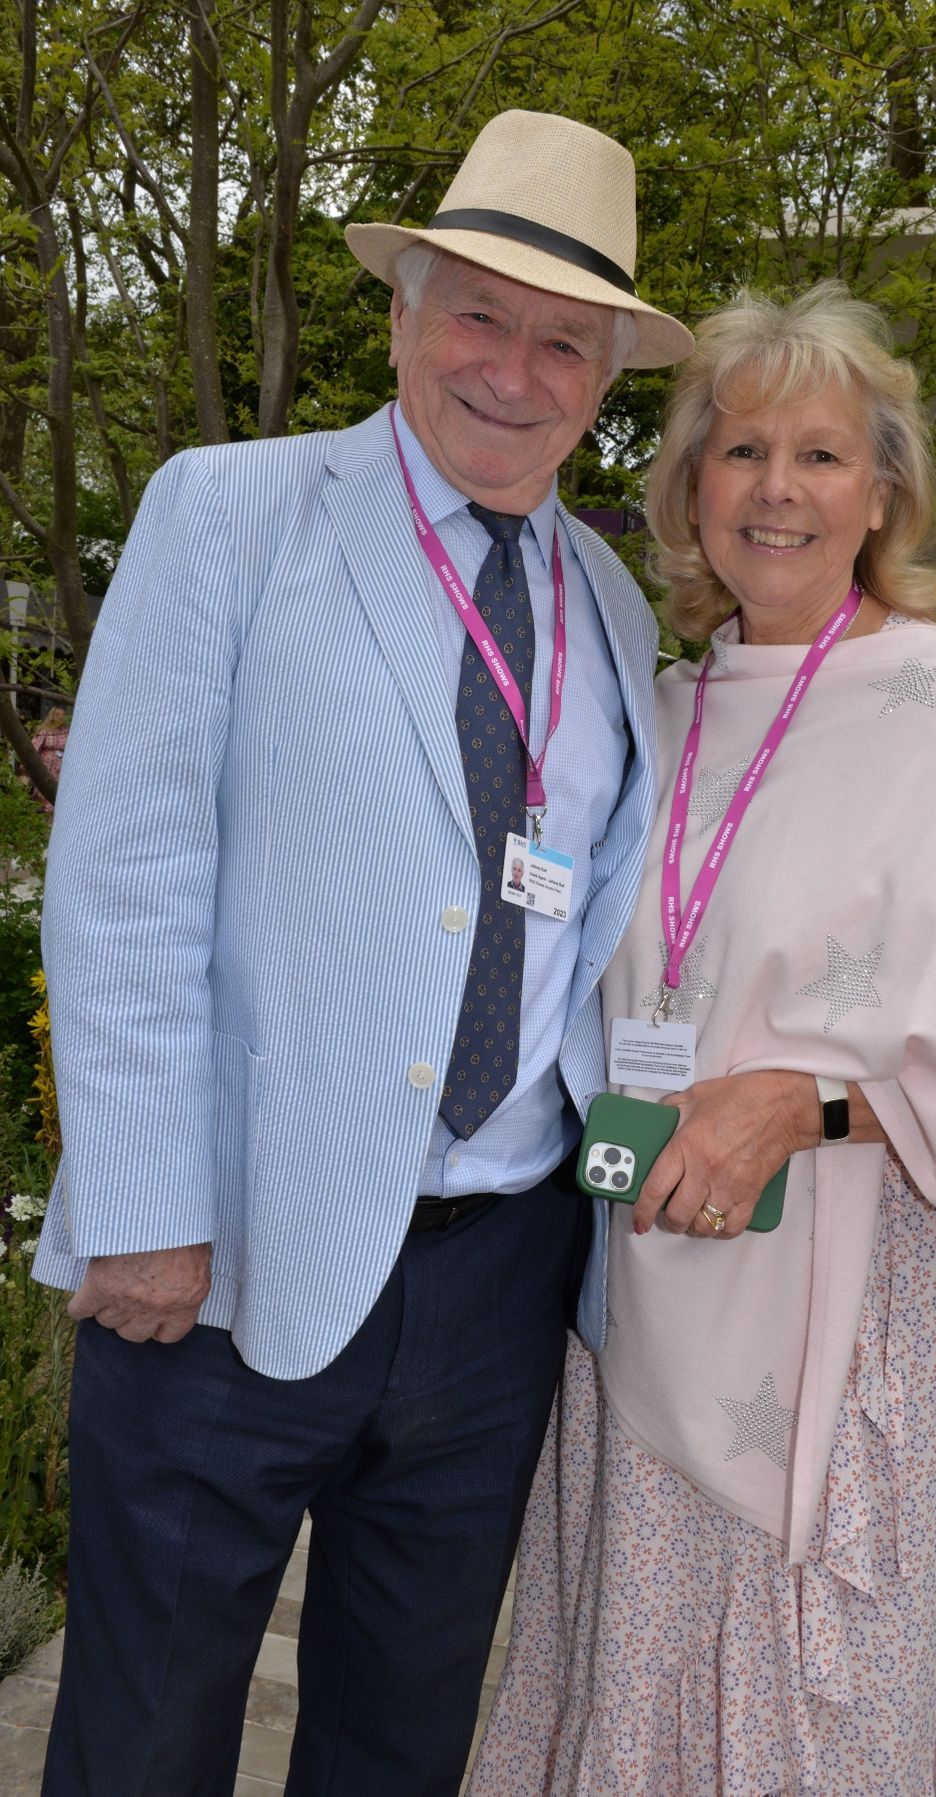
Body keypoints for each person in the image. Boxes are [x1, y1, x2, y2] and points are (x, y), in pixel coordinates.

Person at [32, 110, 693, 1796]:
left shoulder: (616, 608)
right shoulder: (230, 515)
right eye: (478, 315)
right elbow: (125, 880)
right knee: (144, 1742)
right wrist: (145, 1206)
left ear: (608, 377)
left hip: (500, 1280)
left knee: (400, 1747)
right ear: (402, 315)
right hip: (225, 1256)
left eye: (564, 341)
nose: (513, 372)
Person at [467, 286, 936, 1796]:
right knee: (634, 1666)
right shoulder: (652, 709)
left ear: (883, 495)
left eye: (821, 455)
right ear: (689, 491)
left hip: (857, 1295)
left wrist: (814, 1104)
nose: (776, 489)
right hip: (646, 1266)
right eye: (740, 451)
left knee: (814, 1705)